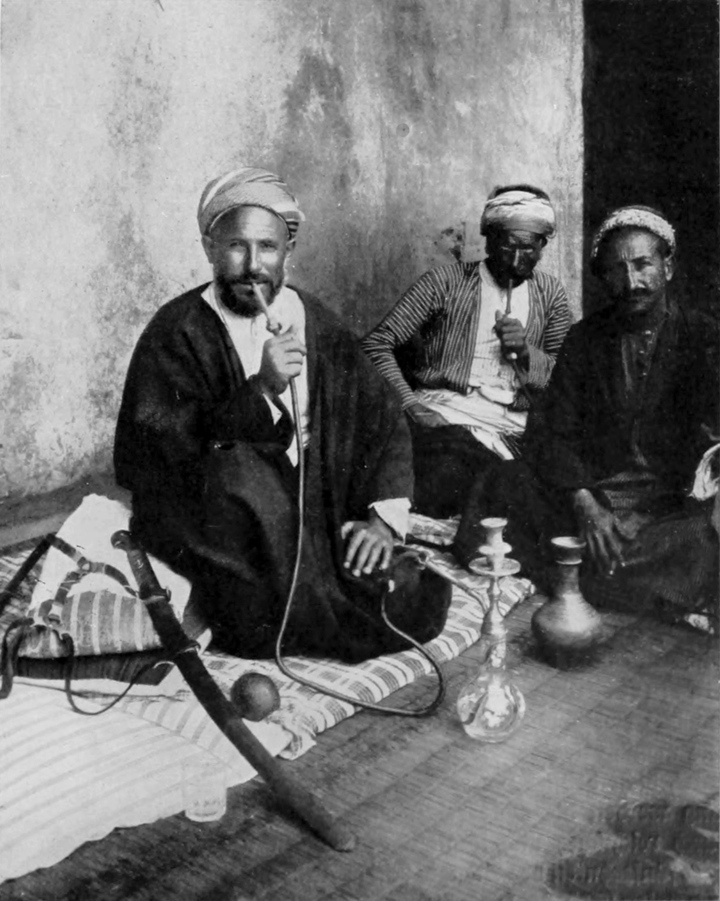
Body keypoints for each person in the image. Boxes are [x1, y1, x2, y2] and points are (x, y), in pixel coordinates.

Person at [114, 167, 450, 663]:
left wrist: (380, 522)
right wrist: (262, 390)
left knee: (409, 593)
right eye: (236, 247)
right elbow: (157, 458)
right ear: (209, 248)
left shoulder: (315, 320)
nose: (253, 266)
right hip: (218, 523)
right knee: (254, 591)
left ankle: (310, 586)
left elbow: (382, 420)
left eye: (268, 248)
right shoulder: (176, 330)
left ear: (287, 251)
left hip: (317, 508)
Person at [455, 206, 719, 623]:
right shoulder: (585, 339)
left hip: (668, 507)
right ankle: (625, 582)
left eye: (643, 264)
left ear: (667, 267)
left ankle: (575, 570)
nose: (632, 282)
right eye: (617, 270)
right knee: (502, 481)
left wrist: (655, 510)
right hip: (592, 496)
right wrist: (585, 503)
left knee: (702, 541)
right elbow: (549, 431)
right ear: (605, 278)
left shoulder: (703, 336)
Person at [362, 185, 572, 518]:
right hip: (448, 416)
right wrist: (411, 405)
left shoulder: (551, 294)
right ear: (488, 239)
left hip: (514, 430)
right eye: (508, 246)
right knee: (449, 476)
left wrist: (525, 352)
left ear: (543, 246)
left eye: (529, 248)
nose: (517, 259)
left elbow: (565, 376)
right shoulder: (444, 282)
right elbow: (376, 344)